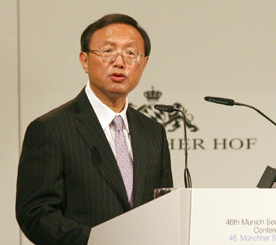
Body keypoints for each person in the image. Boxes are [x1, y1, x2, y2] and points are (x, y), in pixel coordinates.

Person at [16, 13, 173, 245]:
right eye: (108, 51)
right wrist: (98, 240)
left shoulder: (153, 132)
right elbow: (36, 214)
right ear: (85, 60)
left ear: (144, 63)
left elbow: (164, 208)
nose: (120, 62)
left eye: (131, 53)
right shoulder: (51, 129)